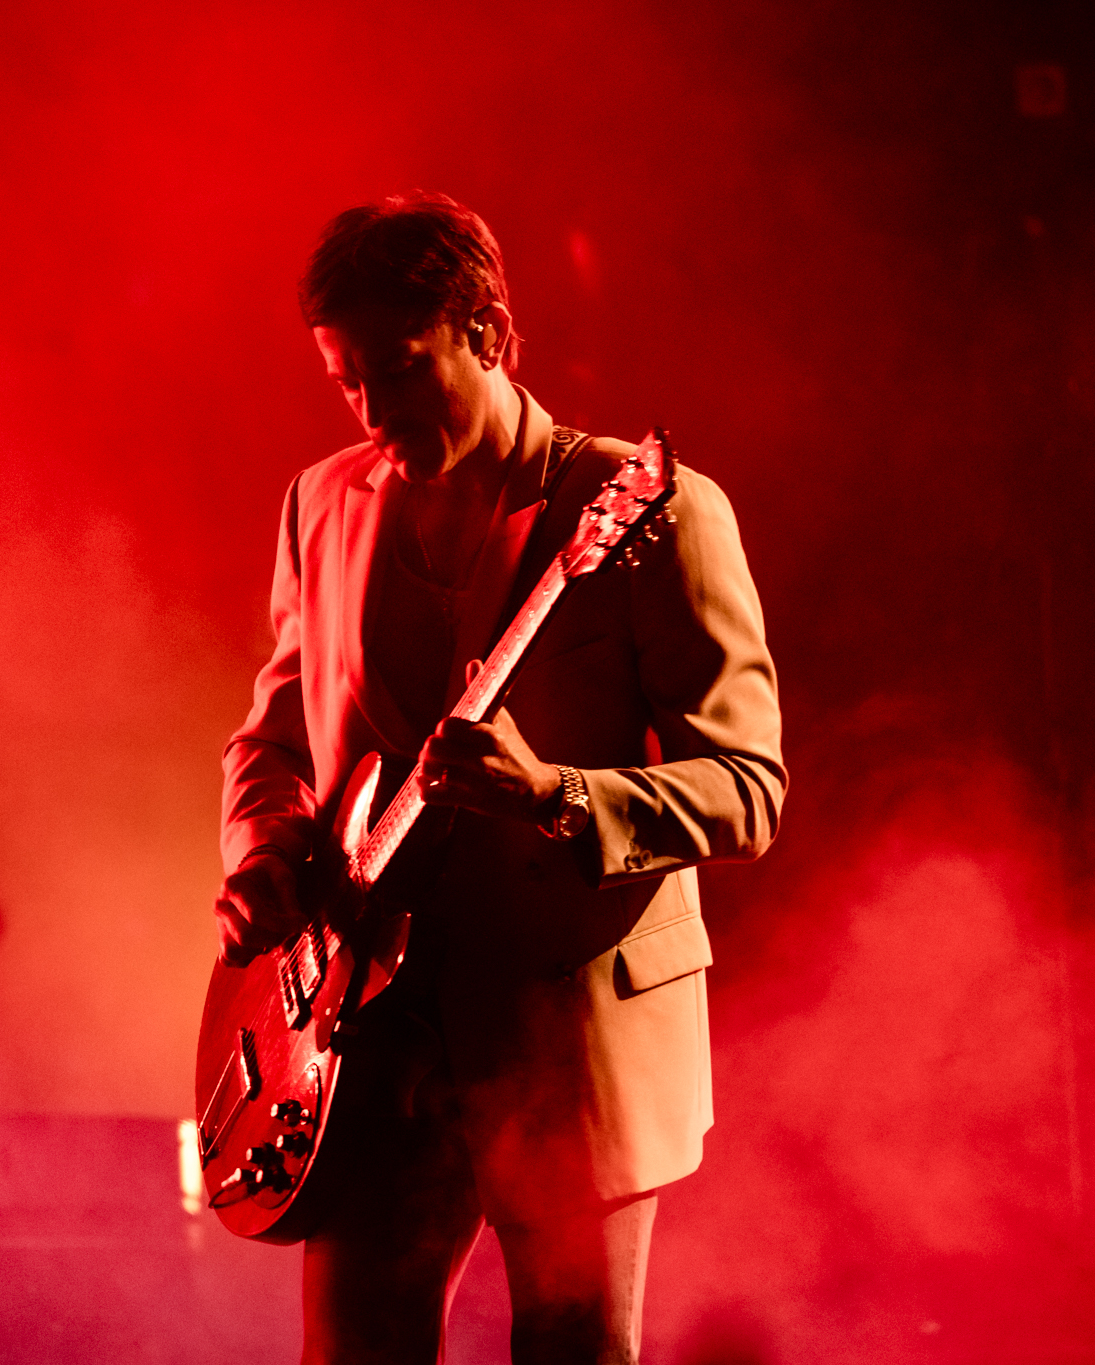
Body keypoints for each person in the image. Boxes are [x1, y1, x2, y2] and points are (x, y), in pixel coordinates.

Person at [214, 192, 785, 1364]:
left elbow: (747, 788)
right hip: (367, 1039)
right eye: (345, 382)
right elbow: (271, 742)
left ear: (484, 330)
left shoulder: (650, 510)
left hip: (569, 1034)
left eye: (396, 368)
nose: (372, 411)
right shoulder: (318, 503)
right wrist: (263, 853)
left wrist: (554, 795)